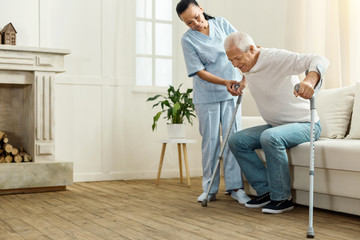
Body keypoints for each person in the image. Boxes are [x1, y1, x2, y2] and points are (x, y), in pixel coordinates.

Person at [224, 31, 329, 214]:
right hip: (277, 125)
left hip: (306, 124)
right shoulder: (247, 65)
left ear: (251, 49)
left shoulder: (276, 58)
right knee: (236, 140)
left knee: (270, 137)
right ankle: (266, 191)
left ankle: (282, 198)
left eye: (237, 59)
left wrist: (309, 81)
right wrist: (243, 82)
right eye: (231, 61)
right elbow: (255, 73)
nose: (235, 64)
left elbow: (320, 59)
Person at [176, 0, 250, 204]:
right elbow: (199, 71)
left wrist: (243, 78)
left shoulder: (223, 24)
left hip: (232, 93)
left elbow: (241, 47)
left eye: (197, 17)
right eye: (189, 22)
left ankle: (235, 188)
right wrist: (225, 81)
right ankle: (209, 188)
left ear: (201, 9)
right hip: (206, 96)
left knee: (232, 139)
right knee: (210, 142)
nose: (196, 24)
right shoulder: (188, 40)